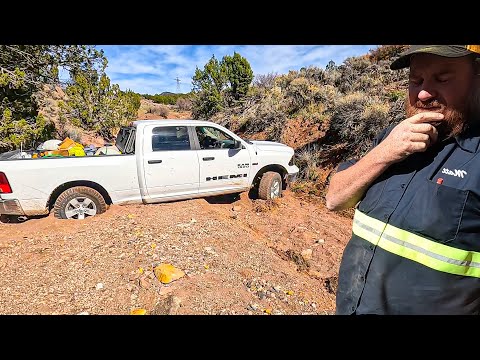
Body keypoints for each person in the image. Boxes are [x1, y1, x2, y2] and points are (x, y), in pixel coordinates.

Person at [325, 45, 480, 315]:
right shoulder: (392, 137)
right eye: (415, 80)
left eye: (442, 79)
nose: (423, 93)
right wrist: (385, 153)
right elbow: (334, 199)